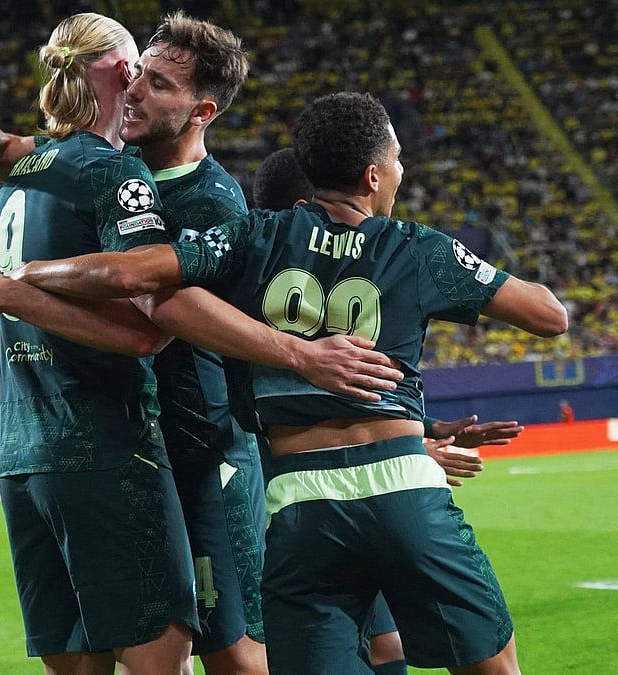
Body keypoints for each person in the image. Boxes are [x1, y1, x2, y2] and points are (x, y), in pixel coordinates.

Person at [0, 92, 567, 674]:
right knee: (492, 666)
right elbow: (549, 316)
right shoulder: (417, 247)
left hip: (299, 503)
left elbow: (128, 272)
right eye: (396, 161)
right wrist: (463, 264)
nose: (401, 171)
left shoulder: (256, 237)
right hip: (403, 490)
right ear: (373, 176)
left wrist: (22, 274)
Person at [0, 15, 403, 675]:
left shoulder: (210, 200)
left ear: (202, 110)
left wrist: (20, 282)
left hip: (202, 454)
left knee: (235, 652)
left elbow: (163, 307)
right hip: (131, 444)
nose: (137, 89)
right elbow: (3, 151)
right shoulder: (110, 166)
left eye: (159, 84)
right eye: (137, 73)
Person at [0, 14, 201, 674]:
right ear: (122, 73)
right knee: (161, 659)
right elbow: (143, 331)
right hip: (107, 449)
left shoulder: (18, 179)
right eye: (140, 67)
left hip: (24, 457)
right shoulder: (113, 174)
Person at [251, 146, 525, 675]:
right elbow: (549, 314)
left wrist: (421, 432)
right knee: (483, 657)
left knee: (383, 642)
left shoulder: (248, 284)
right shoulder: (400, 248)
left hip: (298, 499)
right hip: (372, 488)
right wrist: (398, 448)